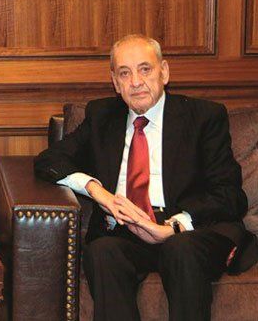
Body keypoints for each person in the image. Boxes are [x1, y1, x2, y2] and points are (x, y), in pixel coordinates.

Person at [34, 34, 258, 321]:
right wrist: (98, 193)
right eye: (124, 73)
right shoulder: (102, 116)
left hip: (191, 231)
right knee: (102, 251)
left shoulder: (203, 116)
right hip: (127, 230)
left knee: (180, 249)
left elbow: (229, 195)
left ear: (164, 72)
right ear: (115, 82)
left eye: (145, 69)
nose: (136, 82)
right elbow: (49, 160)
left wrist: (174, 227)